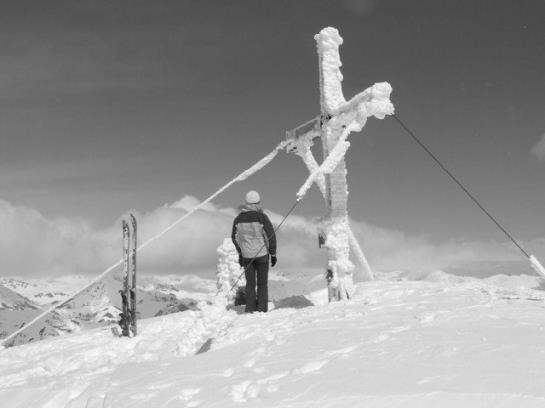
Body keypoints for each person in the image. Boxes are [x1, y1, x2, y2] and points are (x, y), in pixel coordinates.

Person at [231, 190, 277, 313]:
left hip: (246, 256)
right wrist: (273, 254)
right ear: (258, 202)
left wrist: (241, 252)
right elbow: (270, 235)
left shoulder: (238, 219)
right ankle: (262, 309)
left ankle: (250, 308)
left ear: (246, 202)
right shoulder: (262, 217)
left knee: (250, 284)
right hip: (262, 255)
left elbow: (234, 237)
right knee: (262, 284)